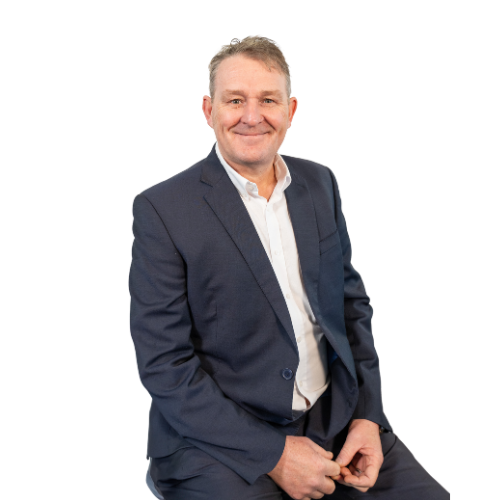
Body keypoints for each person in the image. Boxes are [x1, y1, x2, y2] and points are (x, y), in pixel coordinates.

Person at [129, 34, 450, 500]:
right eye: (235, 100)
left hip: (336, 419)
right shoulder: (161, 208)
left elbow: (351, 306)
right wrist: (274, 454)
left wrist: (368, 415)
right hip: (217, 443)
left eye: (268, 100)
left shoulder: (320, 182)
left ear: (291, 110)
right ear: (208, 110)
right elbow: (164, 364)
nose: (252, 116)